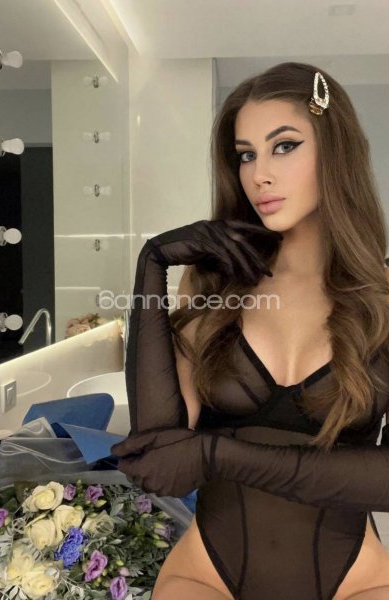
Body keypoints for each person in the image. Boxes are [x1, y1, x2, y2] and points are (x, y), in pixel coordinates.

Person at [110, 62, 389, 600]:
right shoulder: (212, 284)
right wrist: (151, 264)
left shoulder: (382, 301)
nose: (259, 174)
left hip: (355, 582)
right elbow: (159, 453)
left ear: (336, 151)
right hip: (206, 575)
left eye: (284, 146)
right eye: (245, 154)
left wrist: (218, 454)